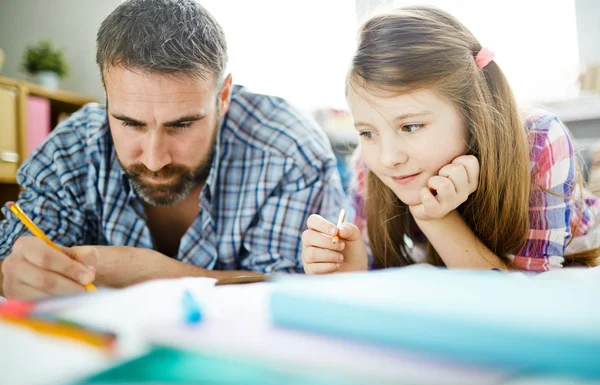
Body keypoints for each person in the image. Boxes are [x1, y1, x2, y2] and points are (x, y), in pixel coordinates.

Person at [0, 0, 345, 300]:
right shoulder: (70, 152)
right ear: (107, 94)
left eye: (181, 125)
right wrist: (14, 274)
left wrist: (150, 274)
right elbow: (12, 262)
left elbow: (292, 291)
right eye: (130, 123)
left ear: (222, 97)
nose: (154, 159)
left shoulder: (288, 153)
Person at [302, 6, 600, 274]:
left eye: (411, 127)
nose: (388, 157)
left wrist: (436, 219)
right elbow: (382, 275)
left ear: (471, 112)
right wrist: (352, 271)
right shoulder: (367, 165)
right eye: (367, 133)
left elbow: (524, 297)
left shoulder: (539, 139)